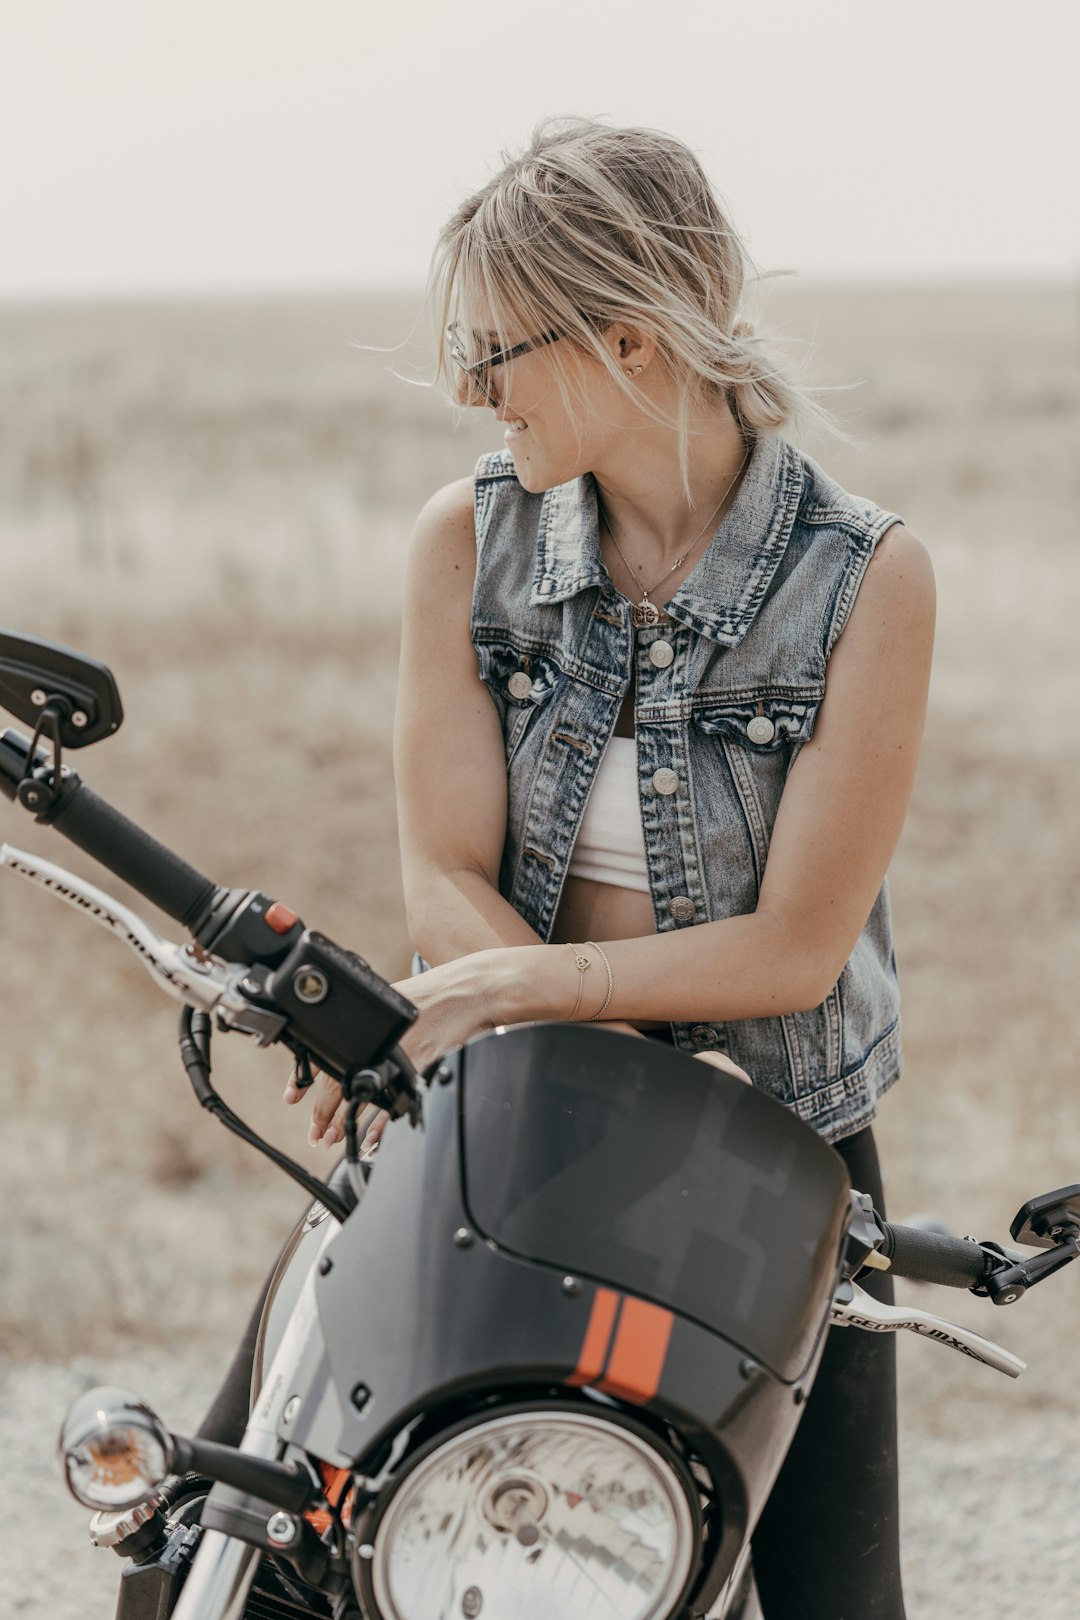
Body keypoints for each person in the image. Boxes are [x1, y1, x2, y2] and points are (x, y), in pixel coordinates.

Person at [290, 119, 934, 1617]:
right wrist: (547, 1031)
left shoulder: (867, 578)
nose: (468, 391)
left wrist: (523, 983)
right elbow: (438, 871)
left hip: (774, 1153)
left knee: (846, 1603)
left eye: (493, 349)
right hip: (509, 1114)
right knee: (267, 1528)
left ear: (629, 342)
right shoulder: (465, 542)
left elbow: (796, 953)